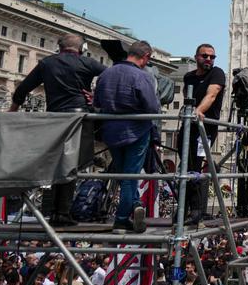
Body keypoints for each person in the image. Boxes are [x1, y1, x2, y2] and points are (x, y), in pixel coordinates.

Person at [9, 33, 105, 226]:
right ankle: (62, 212)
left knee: (58, 164)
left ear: (59, 47)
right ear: (81, 49)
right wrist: (96, 95)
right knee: (72, 166)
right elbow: (112, 76)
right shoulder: (88, 63)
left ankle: (55, 211)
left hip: (55, 119)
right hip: (79, 118)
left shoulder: (47, 63)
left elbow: (23, 88)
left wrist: (13, 110)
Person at [94, 40, 160, 233]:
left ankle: (136, 203)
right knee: (130, 176)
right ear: (146, 57)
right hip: (135, 132)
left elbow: (97, 102)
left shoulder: (106, 74)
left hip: (111, 132)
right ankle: (122, 219)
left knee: (123, 175)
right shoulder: (141, 77)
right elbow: (152, 107)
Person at [181, 44, 226, 225]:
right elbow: (187, 98)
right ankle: (185, 208)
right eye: (205, 56)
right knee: (185, 167)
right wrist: (188, 112)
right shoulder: (188, 77)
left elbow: (212, 95)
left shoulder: (217, 73)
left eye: (212, 57)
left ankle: (197, 211)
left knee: (196, 166)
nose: (209, 59)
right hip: (187, 126)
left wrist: (197, 111)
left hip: (205, 128)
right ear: (196, 57)